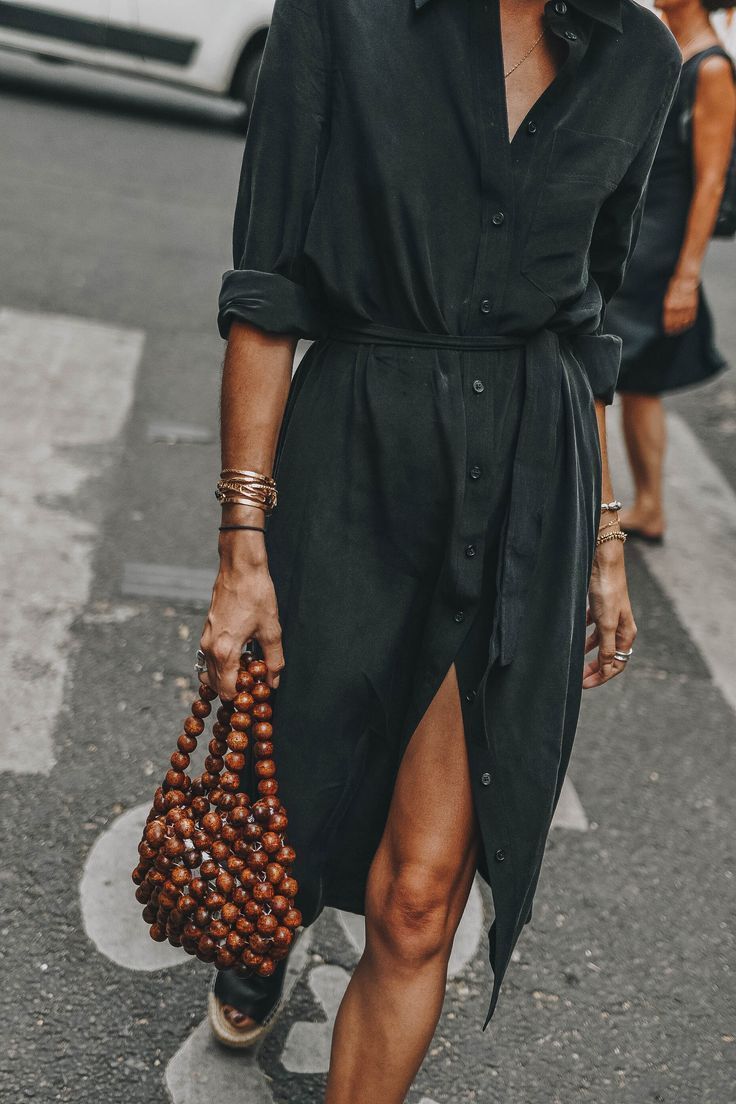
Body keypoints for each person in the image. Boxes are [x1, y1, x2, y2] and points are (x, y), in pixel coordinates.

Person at [197, 0, 680, 1097]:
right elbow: (270, 289)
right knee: (288, 804)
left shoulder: (640, 55)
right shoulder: (342, 15)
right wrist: (240, 545)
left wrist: (605, 535)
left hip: (528, 488)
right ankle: (257, 934)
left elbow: (588, 313)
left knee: (417, 904)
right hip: (352, 465)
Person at [606, 0, 736, 544]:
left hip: (657, 253)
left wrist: (686, 277)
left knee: (602, 372)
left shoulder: (710, 68)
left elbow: (711, 182)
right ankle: (650, 504)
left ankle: (610, 509)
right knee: (638, 382)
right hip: (636, 237)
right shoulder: (669, 48)